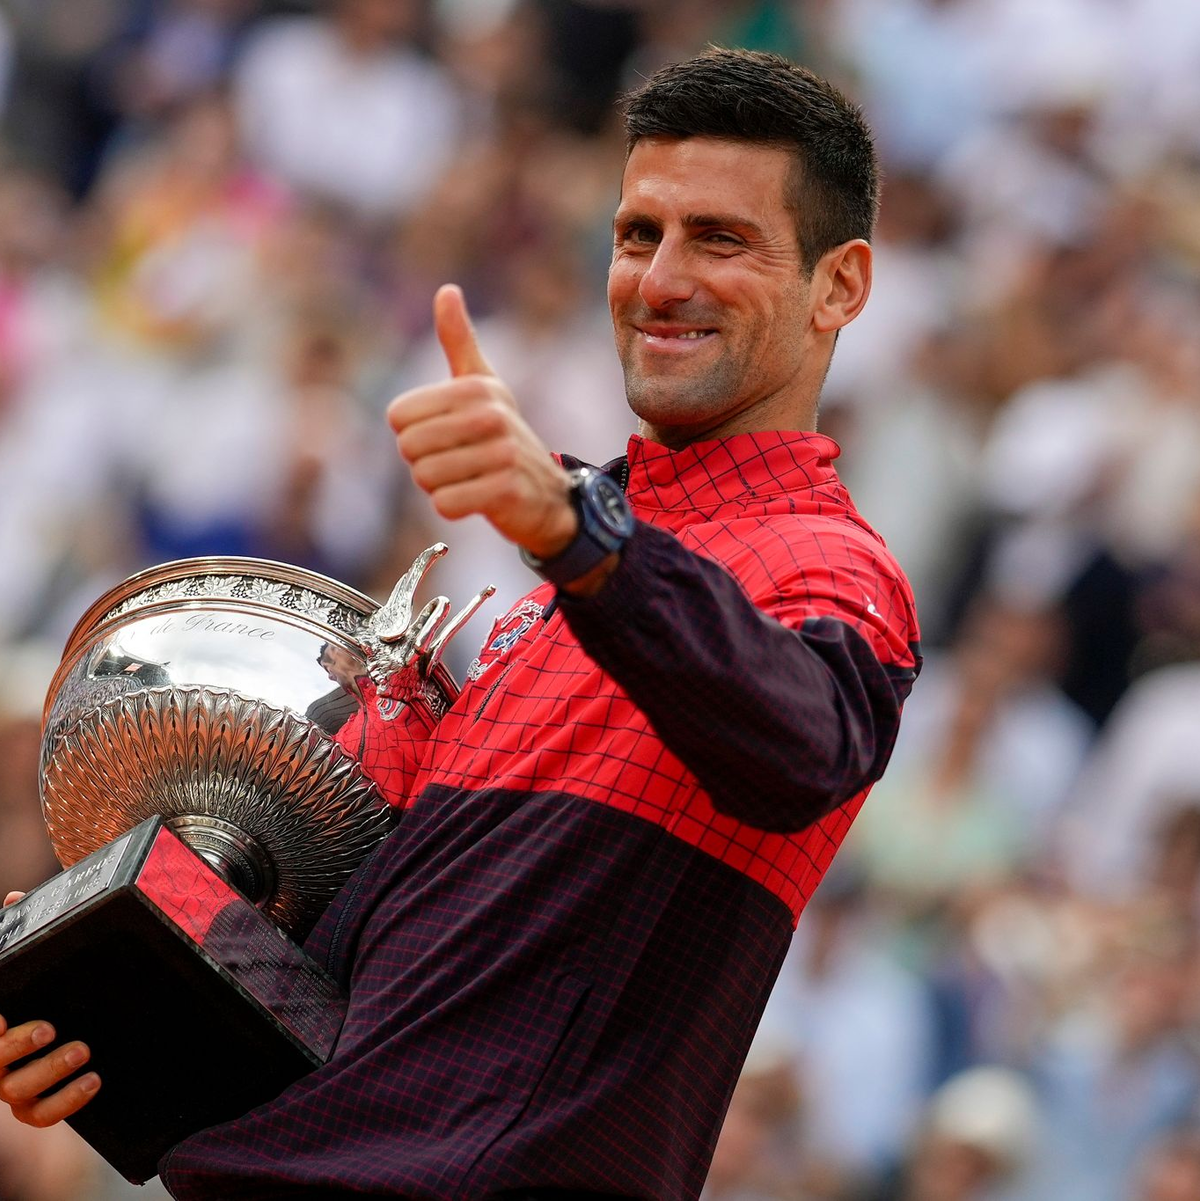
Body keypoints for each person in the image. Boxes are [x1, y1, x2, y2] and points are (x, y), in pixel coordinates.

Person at [0, 48, 921, 1201]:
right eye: (639, 235)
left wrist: (577, 532)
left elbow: (804, 747)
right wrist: (112, 982)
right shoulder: (567, 592)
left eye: (720, 240)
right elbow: (377, 998)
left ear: (840, 285)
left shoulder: (830, 567)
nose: (662, 279)